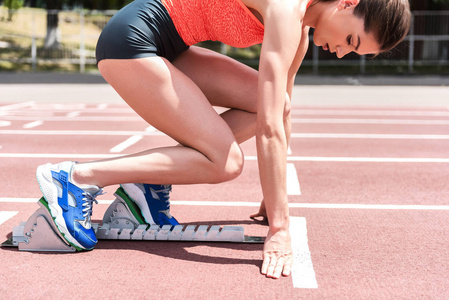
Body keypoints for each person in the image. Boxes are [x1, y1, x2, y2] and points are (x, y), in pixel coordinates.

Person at [36, 0, 411, 279]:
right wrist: (280, 229)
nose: (341, 50)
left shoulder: (299, 31)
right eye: (350, 38)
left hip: (173, 48)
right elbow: (267, 129)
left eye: (353, 51)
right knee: (225, 162)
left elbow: (281, 112)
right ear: (347, 2)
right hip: (133, 40)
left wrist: (272, 196)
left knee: (273, 104)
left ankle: (147, 182)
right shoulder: (286, 10)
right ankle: (77, 178)